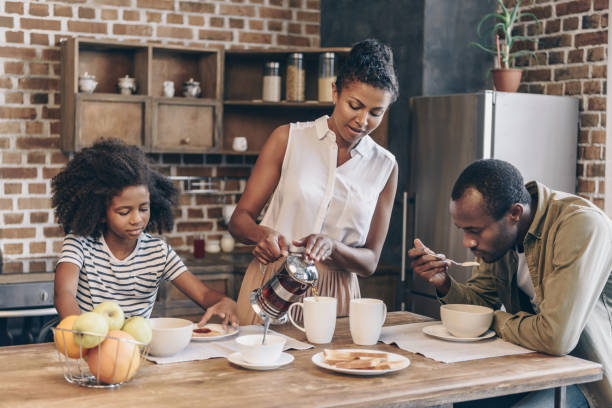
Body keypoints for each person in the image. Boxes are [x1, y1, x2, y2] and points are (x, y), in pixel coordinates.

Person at [408, 159, 611, 407]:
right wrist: (444, 284)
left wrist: (488, 319)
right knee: (455, 400)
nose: (467, 243)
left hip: (590, 377)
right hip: (533, 363)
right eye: (463, 230)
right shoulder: (501, 241)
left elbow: (556, 338)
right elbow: (479, 302)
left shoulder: (580, 225)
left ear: (514, 214)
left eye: (475, 230)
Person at [229, 38, 399, 325]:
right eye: (354, 105)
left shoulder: (385, 165)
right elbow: (239, 220)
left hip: (338, 296)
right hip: (273, 283)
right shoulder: (288, 139)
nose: (362, 120)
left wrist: (333, 247)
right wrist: (261, 235)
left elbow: (370, 261)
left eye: (375, 112)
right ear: (335, 92)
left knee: (334, 369)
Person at [52, 139, 238, 328]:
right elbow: (64, 293)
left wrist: (224, 302)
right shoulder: (80, 243)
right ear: (100, 213)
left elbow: (204, 295)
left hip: (137, 351)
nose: (137, 219)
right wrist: (82, 330)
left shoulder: (158, 252)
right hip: (88, 346)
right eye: (124, 212)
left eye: (143, 208)